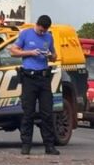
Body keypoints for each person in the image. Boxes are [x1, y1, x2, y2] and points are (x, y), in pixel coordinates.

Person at [10, 15, 59, 155]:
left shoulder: (49, 37)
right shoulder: (25, 34)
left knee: (47, 113)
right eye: (41, 30)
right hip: (29, 77)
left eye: (45, 31)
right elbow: (13, 51)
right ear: (37, 25)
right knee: (28, 113)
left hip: (43, 77)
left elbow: (55, 56)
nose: (42, 33)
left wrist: (50, 55)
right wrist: (30, 52)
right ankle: (26, 145)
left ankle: (49, 145)